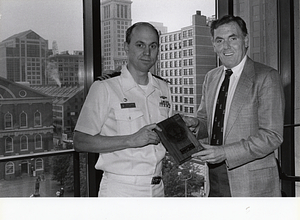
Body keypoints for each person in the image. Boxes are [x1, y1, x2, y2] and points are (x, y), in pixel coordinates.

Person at [183, 15, 285, 197]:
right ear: (214, 45)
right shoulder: (211, 77)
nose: (226, 46)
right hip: (213, 178)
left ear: (245, 40)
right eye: (219, 40)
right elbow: (207, 121)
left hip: (251, 183)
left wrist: (225, 153)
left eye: (233, 38)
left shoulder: (266, 76)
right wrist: (197, 125)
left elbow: (272, 136)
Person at [73, 22, 172, 197]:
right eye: (140, 45)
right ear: (126, 47)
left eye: (153, 46)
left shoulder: (163, 88)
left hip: (157, 189)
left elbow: (168, 138)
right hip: (121, 189)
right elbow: (80, 141)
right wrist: (130, 140)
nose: (147, 52)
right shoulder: (105, 87)